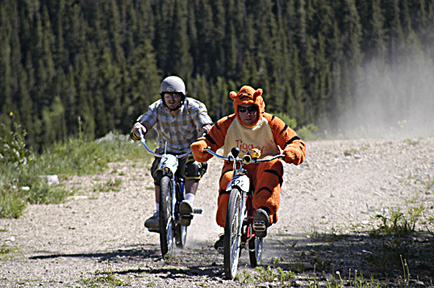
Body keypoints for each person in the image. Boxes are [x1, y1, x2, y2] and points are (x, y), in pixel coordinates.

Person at [190, 85, 306, 251]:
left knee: (272, 165)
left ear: (259, 107)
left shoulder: (271, 123)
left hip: (262, 168)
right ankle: (228, 230)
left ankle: (263, 214)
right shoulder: (228, 123)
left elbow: (295, 141)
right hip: (236, 166)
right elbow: (209, 140)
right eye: (242, 109)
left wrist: (293, 151)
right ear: (237, 108)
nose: (247, 114)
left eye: (252, 109)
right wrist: (201, 147)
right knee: (227, 180)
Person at [130, 75, 213, 229]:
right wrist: (139, 128)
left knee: (194, 165)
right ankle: (158, 213)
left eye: (175, 96)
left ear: (182, 96)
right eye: (168, 96)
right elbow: (145, 122)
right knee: (158, 170)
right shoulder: (156, 108)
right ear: (163, 97)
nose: (171, 99)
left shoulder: (194, 107)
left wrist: (205, 129)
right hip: (166, 152)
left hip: (188, 151)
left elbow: (205, 122)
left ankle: (188, 204)